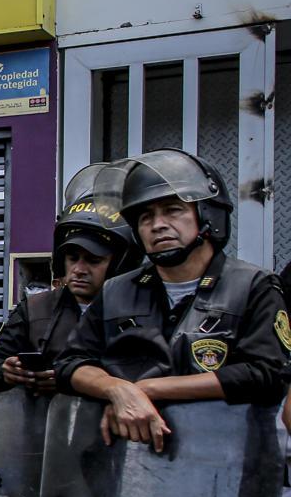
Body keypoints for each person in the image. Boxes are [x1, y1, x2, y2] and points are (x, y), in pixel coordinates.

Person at [57, 151, 291, 445]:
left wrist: (150, 388)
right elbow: (71, 363)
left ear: (207, 215)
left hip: (226, 463)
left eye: (172, 210)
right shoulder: (116, 289)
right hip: (124, 465)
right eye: (146, 216)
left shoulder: (254, 286)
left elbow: (266, 373)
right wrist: (116, 389)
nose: (157, 225)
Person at [0, 167, 139, 392]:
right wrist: (6, 371)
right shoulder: (34, 309)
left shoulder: (141, 310)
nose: (79, 269)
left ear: (118, 264)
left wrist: (71, 380)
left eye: (93, 260)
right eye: (73, 258)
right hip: (44, 425)